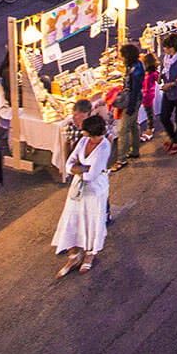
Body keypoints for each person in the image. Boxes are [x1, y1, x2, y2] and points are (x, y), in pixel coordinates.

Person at [52, 115, 111, 277]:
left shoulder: (104, 147)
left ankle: (90, 254)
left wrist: (80, 169)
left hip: (95, 191)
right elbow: (69, 164)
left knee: (92, 221)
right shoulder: (83, 142)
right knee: (72, 218)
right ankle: (74, 254)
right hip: (78, 188)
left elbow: (91, 175)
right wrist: (83, 169)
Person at [110, 44, 144, 172]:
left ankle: (121, 159)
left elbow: (134, 90)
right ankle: (135, 150)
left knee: (123, 130)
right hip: (135, 99)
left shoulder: (135, 70)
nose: (121, 58)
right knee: (134, 124)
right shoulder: (136, 65)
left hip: (132, 101)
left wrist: (130, 107)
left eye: (122, 56)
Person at [139, 51, 159, 143]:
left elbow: (158, 80)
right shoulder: (146, 72)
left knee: (149, 112)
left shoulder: (152, 73)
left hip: (147, 95)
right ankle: (151, 127)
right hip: (146, 94)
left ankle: (150, 129)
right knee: (149, 111)